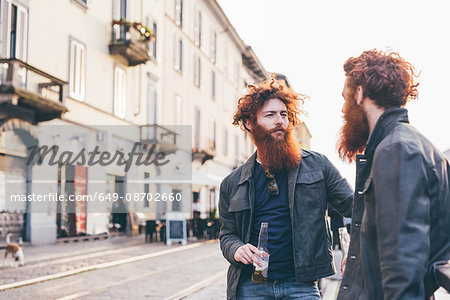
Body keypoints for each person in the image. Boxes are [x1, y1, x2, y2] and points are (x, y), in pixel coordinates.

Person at [219, 77, 354, 299]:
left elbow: (357, 208)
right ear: (250, 123)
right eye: (270, 115)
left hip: (301, 284)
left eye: (283, 114)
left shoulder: (318, 165)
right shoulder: (231, 183)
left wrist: (354, 252)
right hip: (252, 285)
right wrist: (236, 249)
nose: (279, 121)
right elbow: (227, 235)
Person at [336, 49, 450, 300]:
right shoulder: (415, 144)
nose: (344, 110)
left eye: (345, 97)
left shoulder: (396, 149)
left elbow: (403, 261)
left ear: (359, 94)